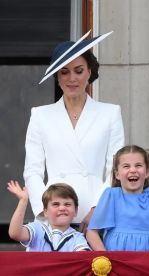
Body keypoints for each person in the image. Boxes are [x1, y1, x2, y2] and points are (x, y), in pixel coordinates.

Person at [23, 30, 125, 230]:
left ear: (89, 72)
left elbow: (115, 168)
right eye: (64, 71)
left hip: (96, 214)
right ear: (56, 76)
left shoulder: (110, 113)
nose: (72, 78)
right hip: (53, 215)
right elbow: (32, 171)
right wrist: (46, 211)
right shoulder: (40, 115)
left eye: (78, 71)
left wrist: (98, 208)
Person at [86, 145, 149, 251]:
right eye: (126, 166)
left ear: (146, 173)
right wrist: (105, 257)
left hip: (146, 262)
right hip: (115, 261)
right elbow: (92, 232)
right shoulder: (111, 196)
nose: (133, 170)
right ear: (117, 174)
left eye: (138, 165)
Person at [7, 181, 90, 251]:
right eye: (56, 204)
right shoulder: (37, 229)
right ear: (45, 211)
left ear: (75, 211)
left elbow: (81, 260)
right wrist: (23, 201)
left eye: (67, 204)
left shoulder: (78, 238)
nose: (62, 208)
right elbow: (15, 234)